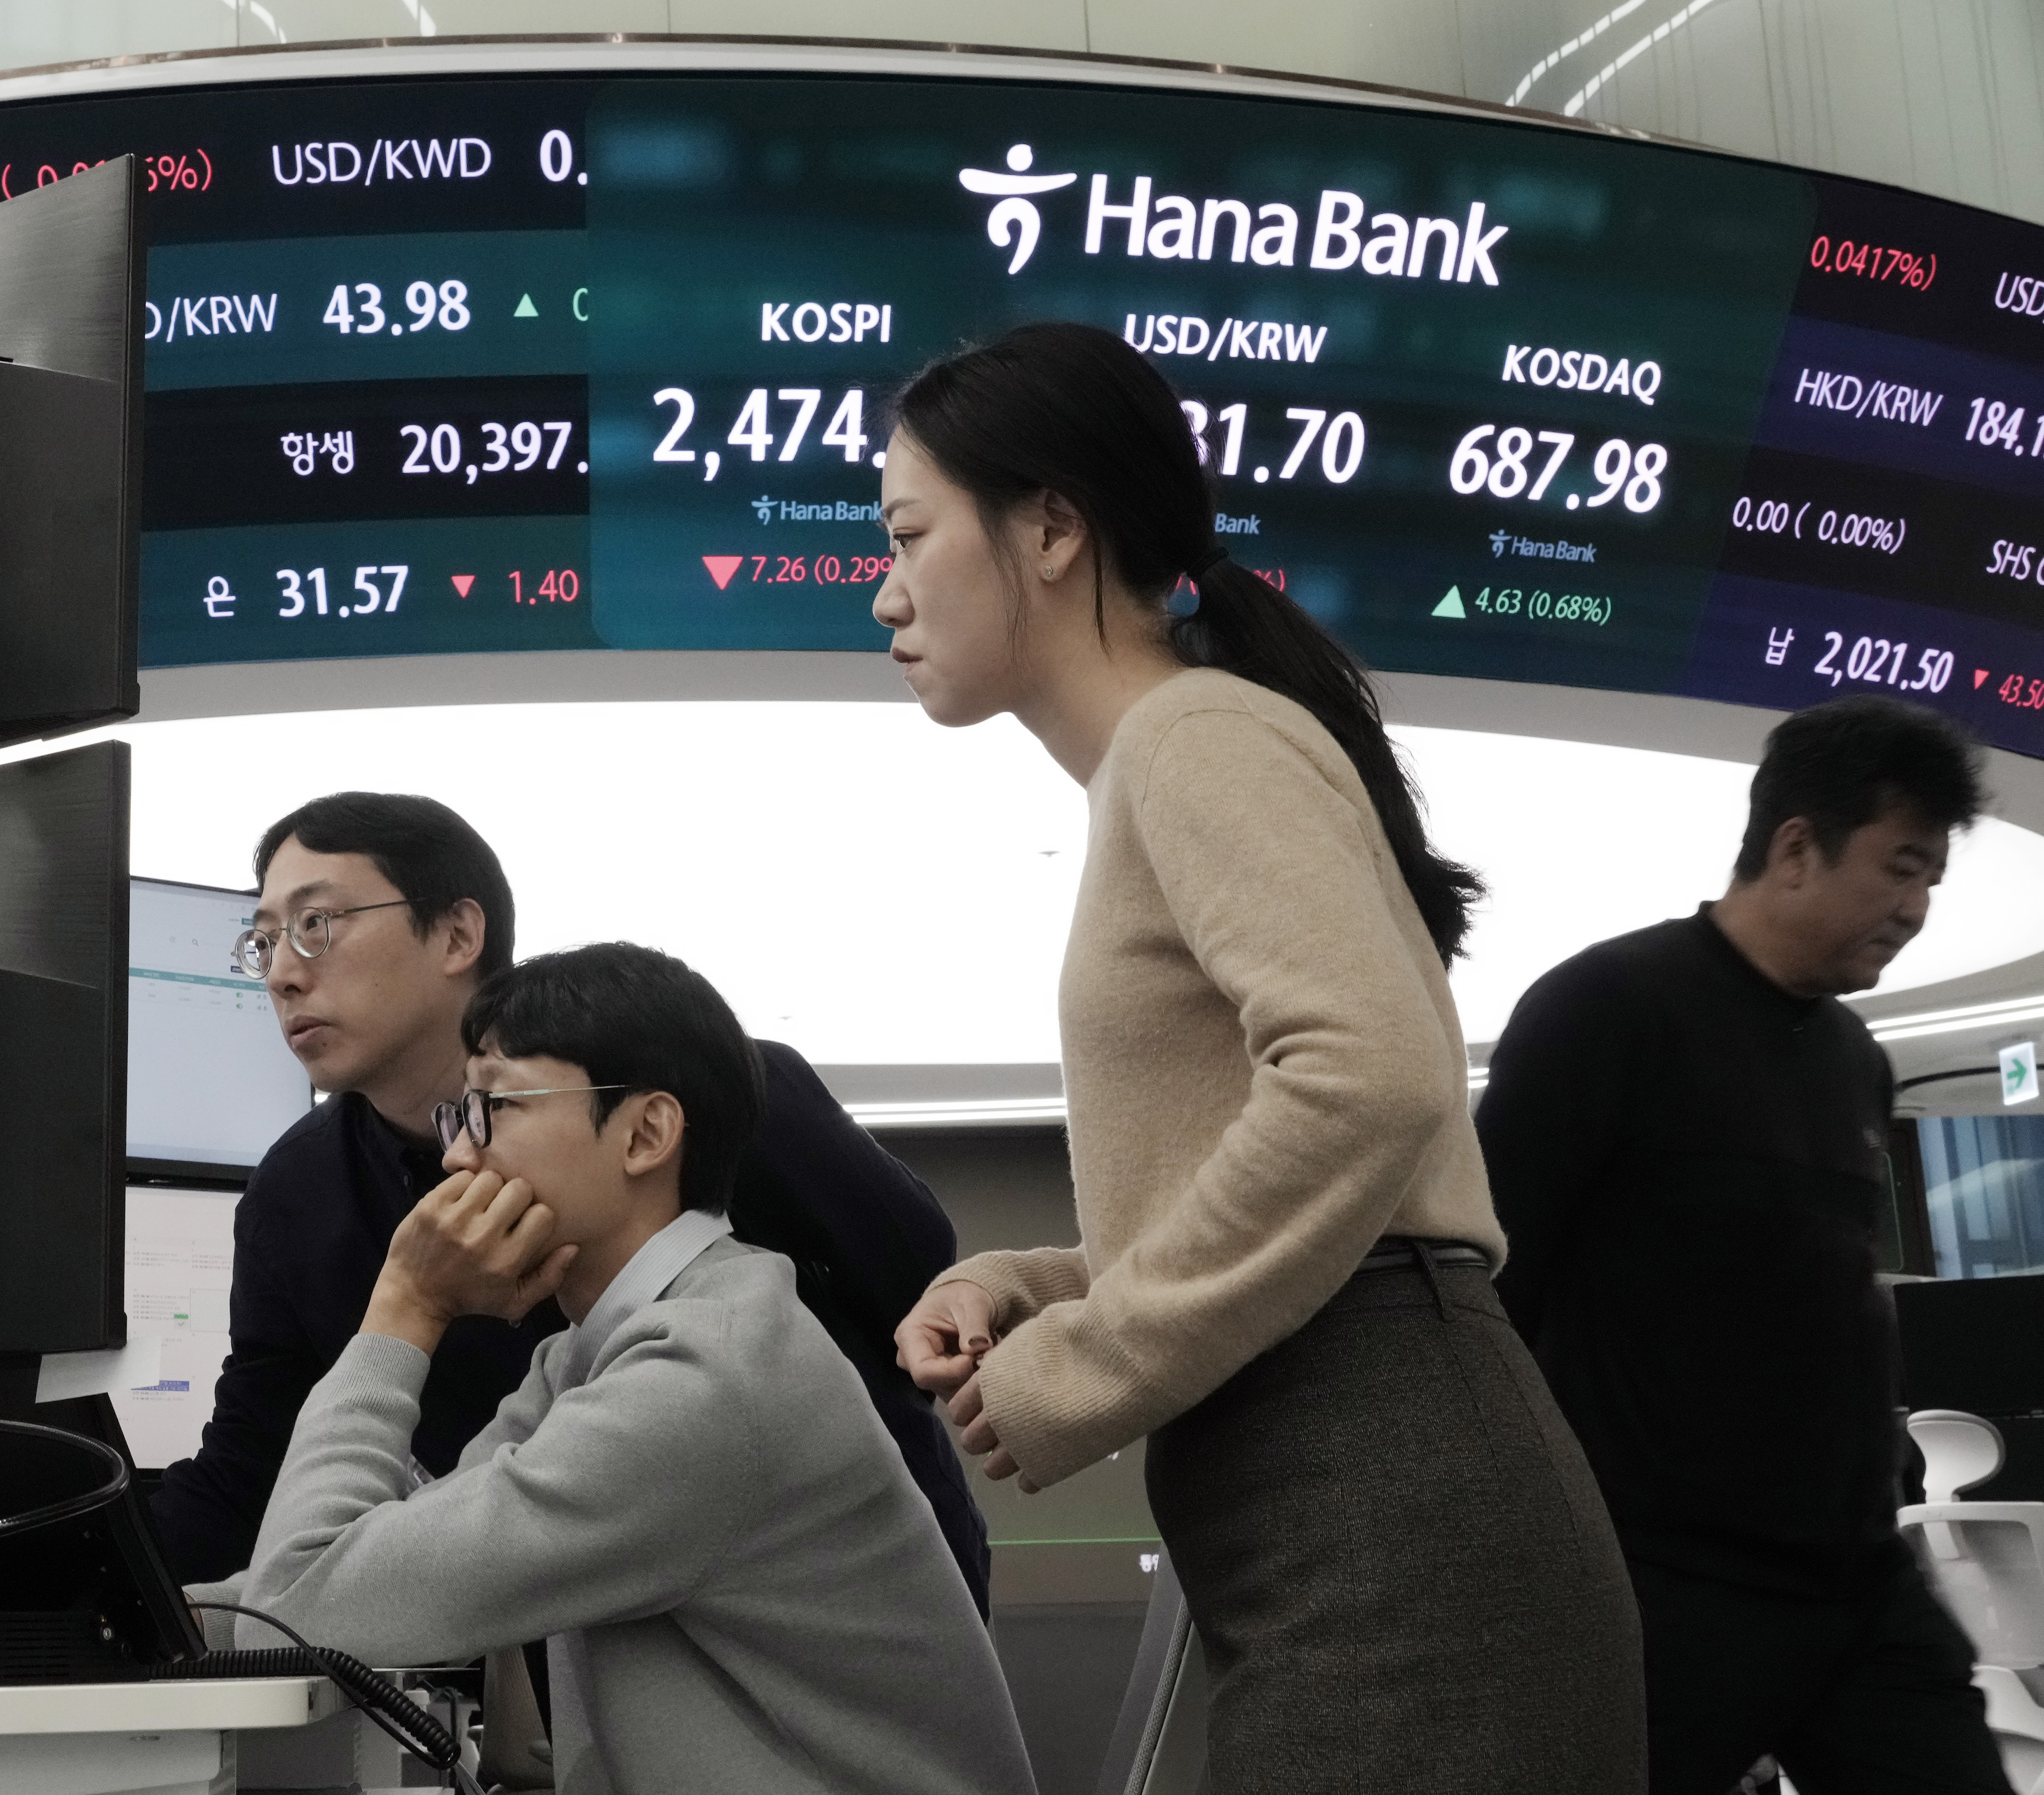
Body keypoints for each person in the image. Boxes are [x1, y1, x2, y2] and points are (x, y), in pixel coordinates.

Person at [878, 322, 1644, 1792]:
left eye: (911, 534)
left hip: (1382, 1482)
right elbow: (1308, 1156)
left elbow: (1364, 1084)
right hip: (1353, 1475)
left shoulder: (1193, 739)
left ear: (1048, 528)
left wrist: (1083, 1366)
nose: (885, 586)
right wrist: (1032, 1290)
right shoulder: (1176, 756)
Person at [192, 944, 1038, 1795]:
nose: (457, 1159)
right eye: (461, 1114)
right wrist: (133, 1621)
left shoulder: (705, 1377)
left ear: (645, 1133)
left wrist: (405, 1308)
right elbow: (371, 1567)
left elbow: (310, 1601)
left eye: (496, 1107)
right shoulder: (597, 1351)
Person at [147, 792, 990, 1617]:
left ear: (457, 933)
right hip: (550, 1616)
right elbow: (259, 1467)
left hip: (828, 1610)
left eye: (316, 926)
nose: (285, 974)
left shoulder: (704, 1095)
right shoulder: (297, 1195)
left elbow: (913, 1282)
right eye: (262, 943)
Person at [1478, 694, 2004, 1795]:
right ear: (1796, 846)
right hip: (1664, 1588)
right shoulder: (1607, 1008)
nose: (1914, 908)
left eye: (1930, 884)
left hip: (1857, 1582)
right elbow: (1488, 1291)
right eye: (1899, 868)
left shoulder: (1855, 1055)